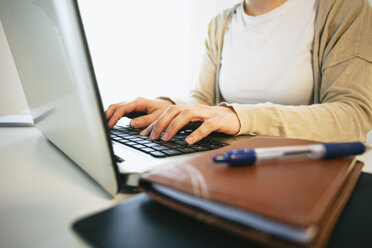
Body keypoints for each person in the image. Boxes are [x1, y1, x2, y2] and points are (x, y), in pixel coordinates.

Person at [105, 0, 372, 145]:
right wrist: (168, 107)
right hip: (226, 162)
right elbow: (203, 98)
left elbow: (354, 116)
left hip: (300, 171)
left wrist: (240, 116)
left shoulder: (344, 9)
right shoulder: (220, 24)